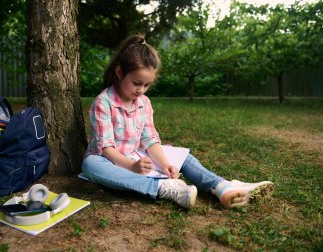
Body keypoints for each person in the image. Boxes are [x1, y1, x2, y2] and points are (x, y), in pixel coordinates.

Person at [81, 34, 274, 209]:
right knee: (90, 165)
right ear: (120, 73)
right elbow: (106, 147)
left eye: (147, 85)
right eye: (137, 83)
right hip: (110, 161)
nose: (141, 90)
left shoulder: (144, 103)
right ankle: (165, 188)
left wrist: (165, 164)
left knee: (183, 157)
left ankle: (222, 187)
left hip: (137, 156)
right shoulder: (103, 102)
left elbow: (150, 140)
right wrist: (132, 167)